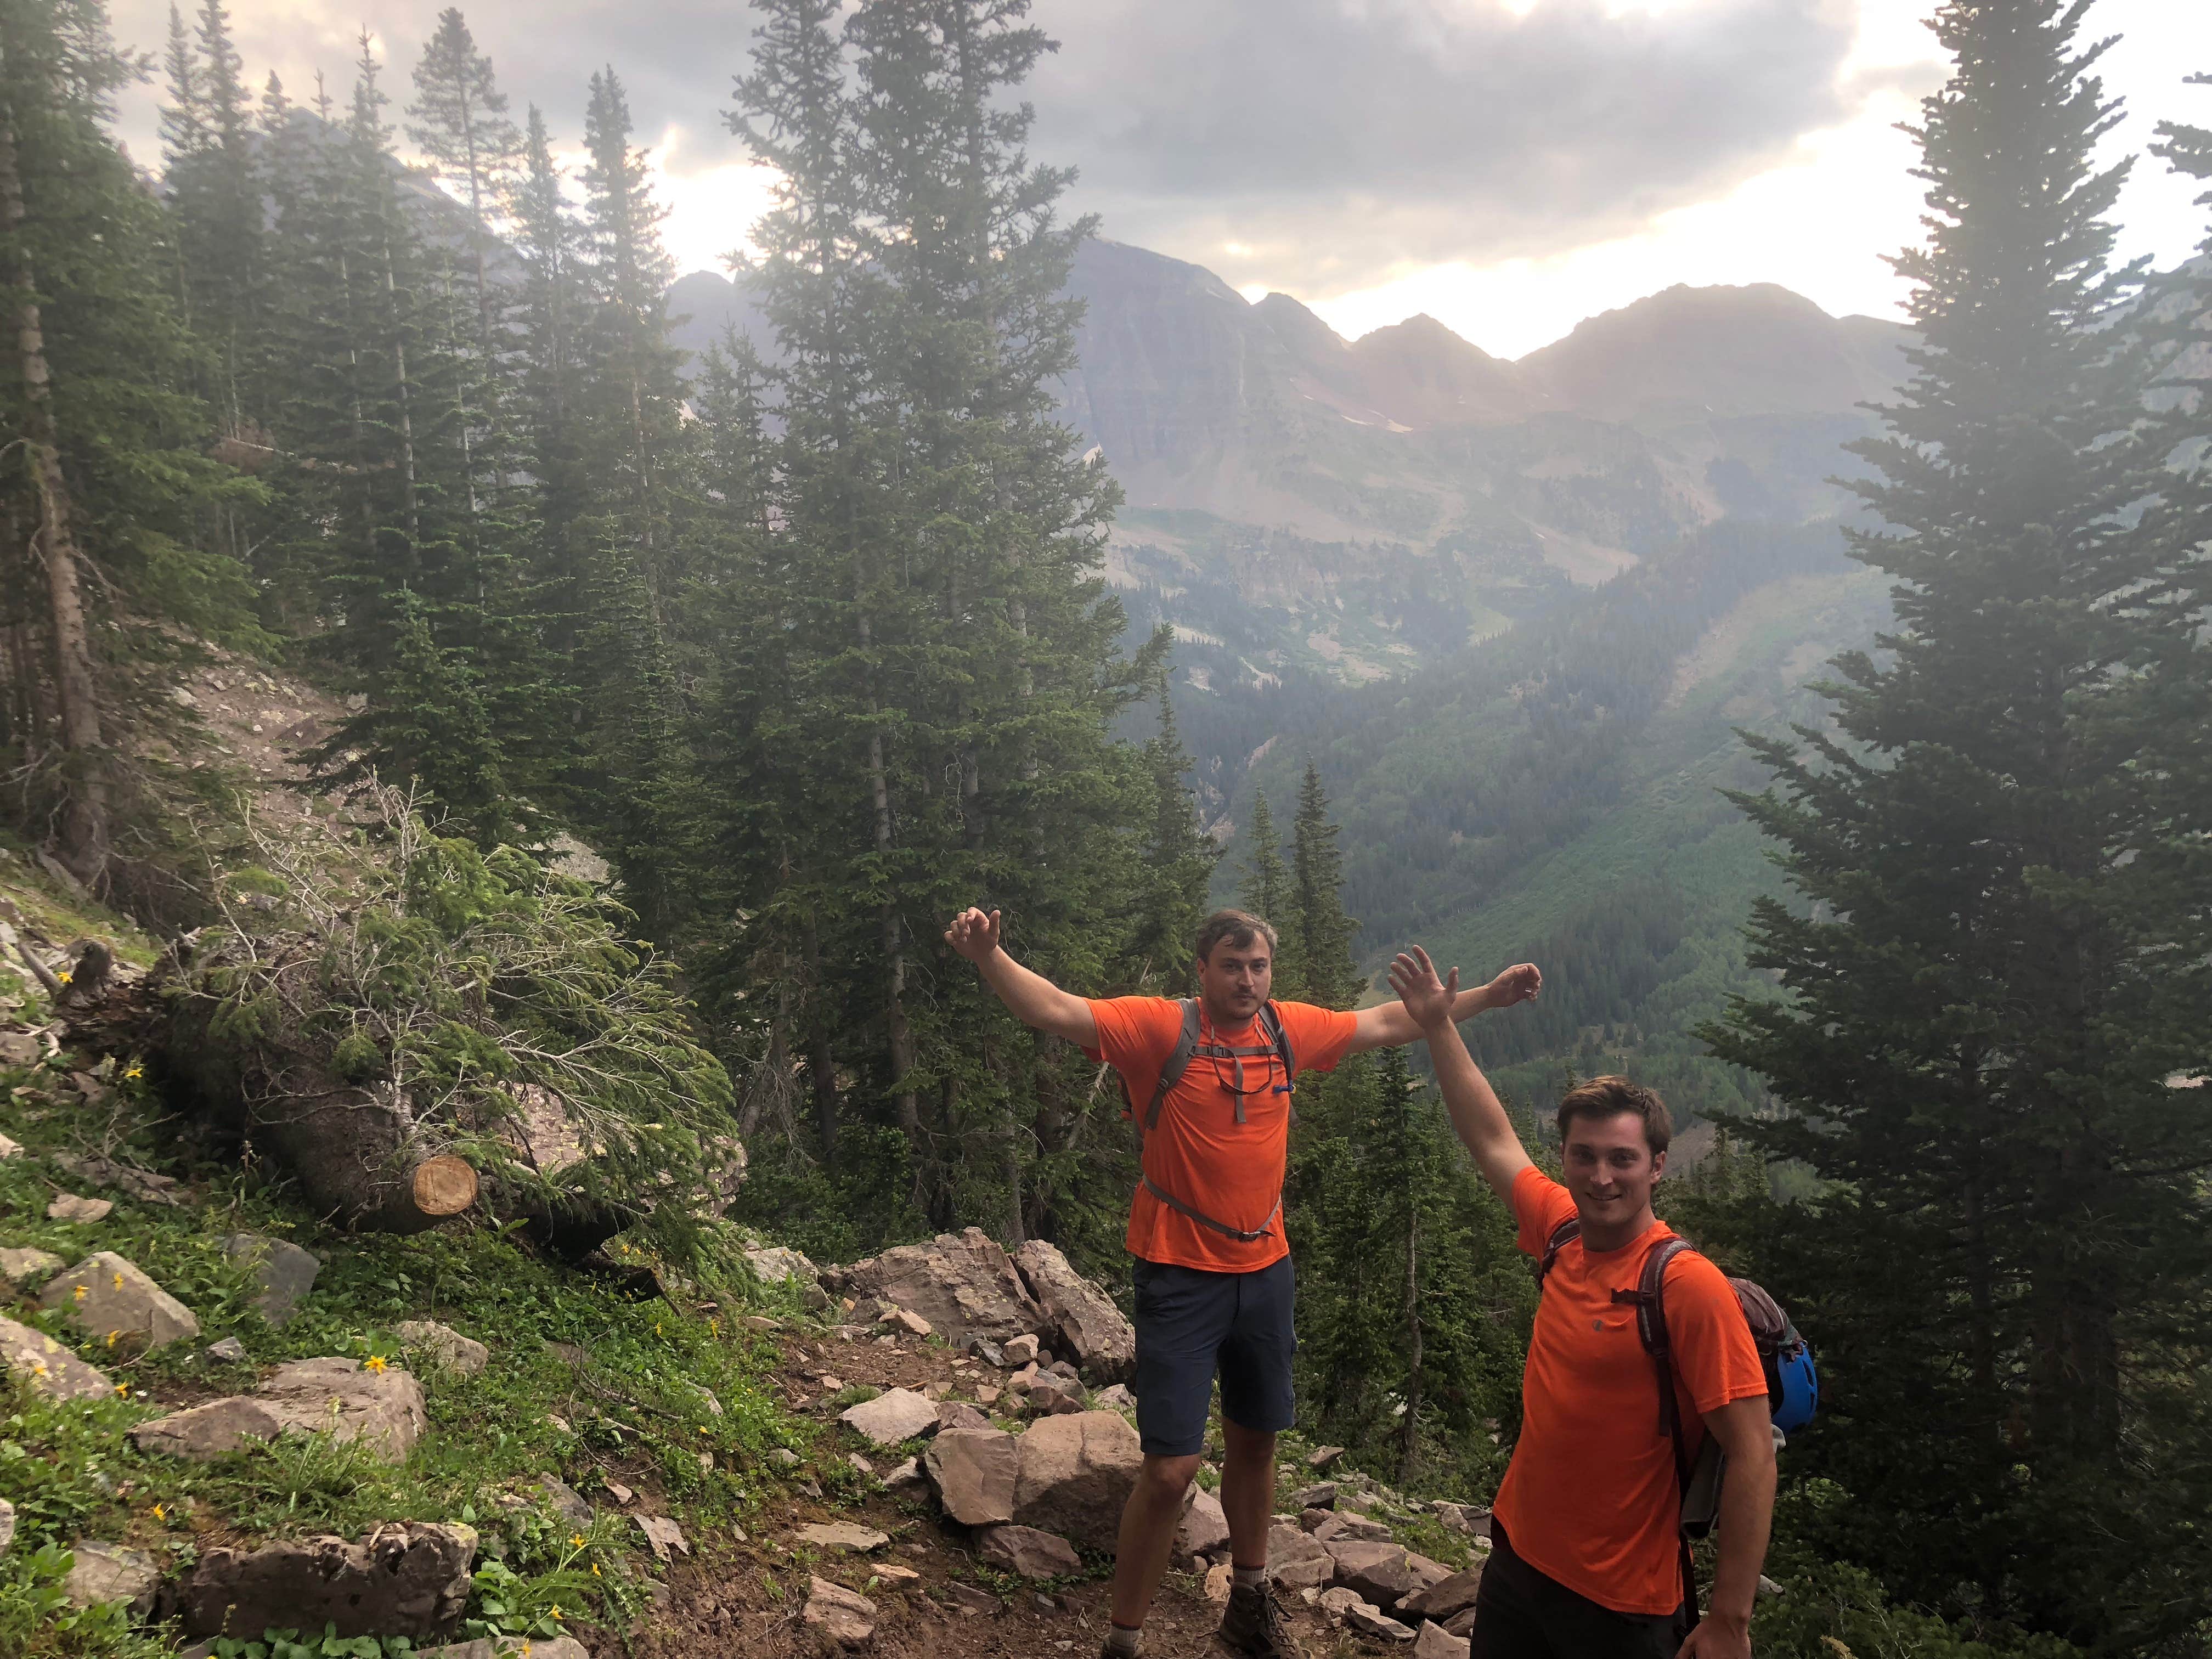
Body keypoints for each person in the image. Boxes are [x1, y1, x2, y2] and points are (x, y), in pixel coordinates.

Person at [945, 905, 1541, 1659]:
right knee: (1170, 1471)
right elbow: (1058, 1010)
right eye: (1232, 965)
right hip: (1178, 1272)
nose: (1247, 980)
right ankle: (1124, 1641)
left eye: (1258, 966)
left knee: (1257, 1442)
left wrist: (1487, 994)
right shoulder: (1161, 1030)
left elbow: (1391, 1022)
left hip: (1266, 1270)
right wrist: (990, 957)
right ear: (1202, 968)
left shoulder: (1285, 1031)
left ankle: (1250, 1606)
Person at [1386, 945, 1776, 1659]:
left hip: (1624, 1607)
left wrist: (1730, 1621)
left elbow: (1753, 1452)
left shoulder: (1687, 1287)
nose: (1602, 1177)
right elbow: (1493, 1137)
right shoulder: (1561, 1231)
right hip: (1517, 1566)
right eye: (1584, 1156)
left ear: (1658, 1166)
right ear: (1564, 1157)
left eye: (1622, 1159)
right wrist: (1440, 1026)